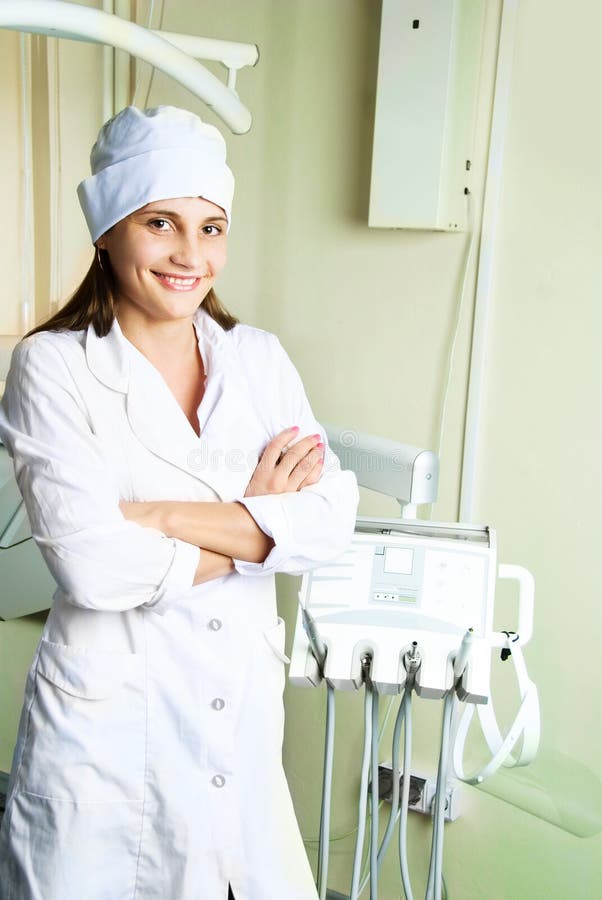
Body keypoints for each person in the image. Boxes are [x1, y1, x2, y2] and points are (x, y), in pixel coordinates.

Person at [0, 105, 359, 900]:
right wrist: (264, 521)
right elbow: (92, 567)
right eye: (160, 222)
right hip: (105, 749)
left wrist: (154, 516)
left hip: (241, 737)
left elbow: (331, 518)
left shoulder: (258, 360)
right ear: (106, 230)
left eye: (212, 227)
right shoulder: (51, 368)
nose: (190, 255)